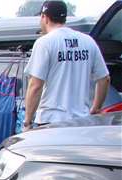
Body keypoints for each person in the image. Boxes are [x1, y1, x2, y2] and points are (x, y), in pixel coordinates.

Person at [23, 1, 110, 131]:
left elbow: (35, 86)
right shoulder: (88, 41)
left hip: (51, 122)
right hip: (82, 122)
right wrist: (96, 108)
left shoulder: (44, 43)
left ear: (44, 17)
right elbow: (105, 79)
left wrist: (27, 122)